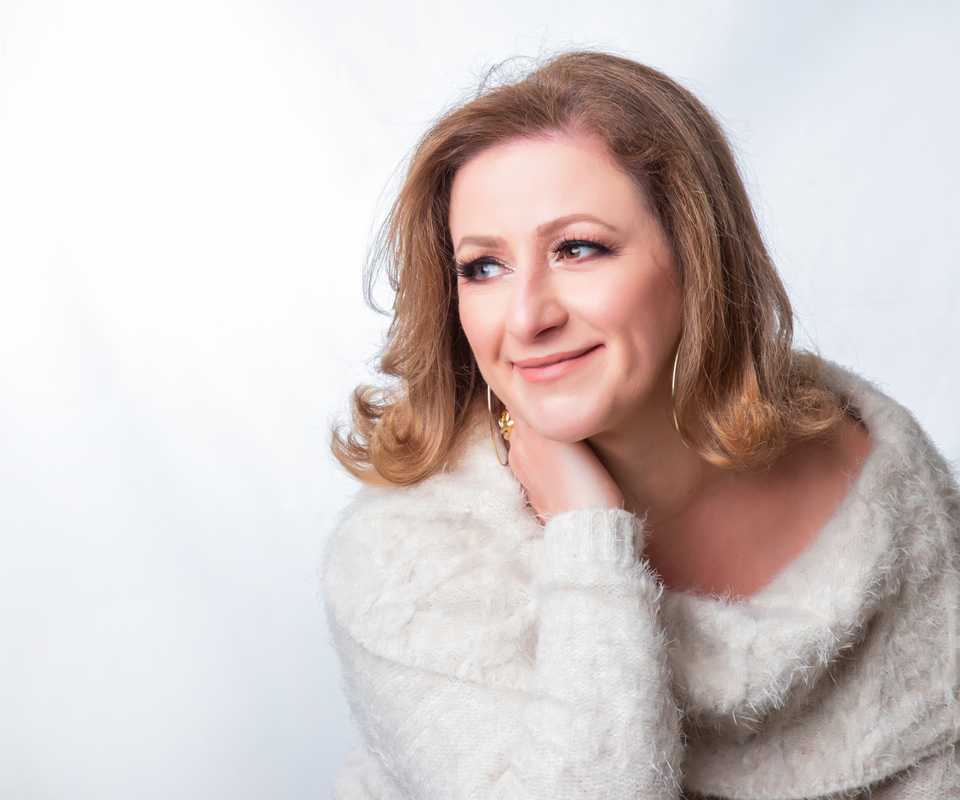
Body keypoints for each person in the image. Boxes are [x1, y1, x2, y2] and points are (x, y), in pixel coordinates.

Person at [322, 51, 960, 799]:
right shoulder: (406, 555)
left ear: (697, 259)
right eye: (483, 267)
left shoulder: (877, 469)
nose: (526, 318)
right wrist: (590, 538)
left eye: (577, 249)